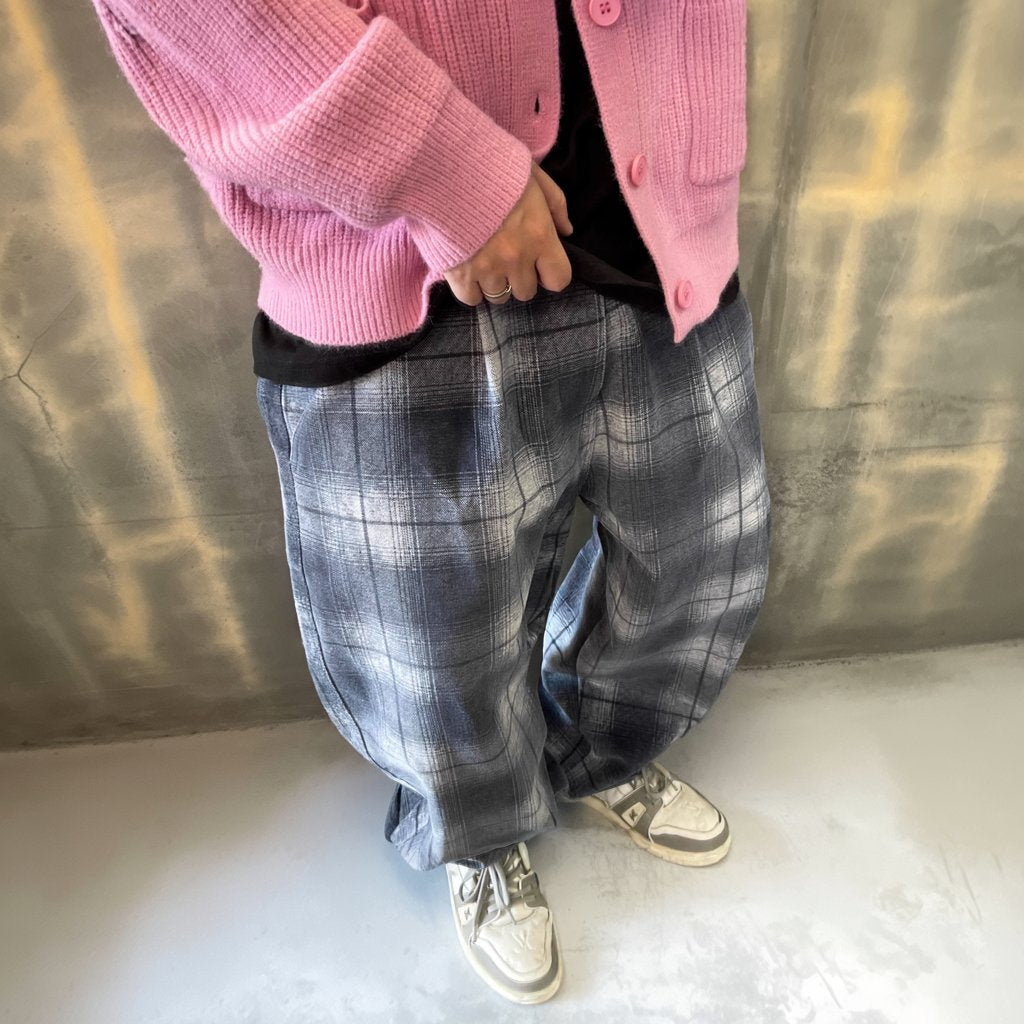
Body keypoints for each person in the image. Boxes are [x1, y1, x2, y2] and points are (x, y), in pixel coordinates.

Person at [90, 0, 770, 1004]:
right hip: (393, 251)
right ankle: (480, 831)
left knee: (703, 547)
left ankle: (600, 746)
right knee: (429, 629)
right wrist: (442, 170)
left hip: (655, 195)